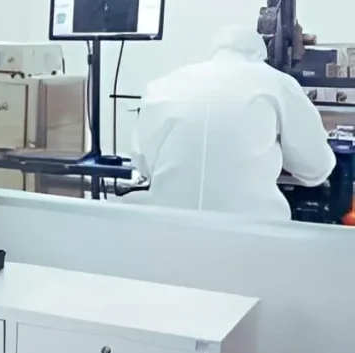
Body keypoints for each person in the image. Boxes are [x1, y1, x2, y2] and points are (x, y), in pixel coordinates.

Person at [130, 25, 335, 220]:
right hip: (252, 232)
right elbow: (315, 169)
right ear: (261, 52)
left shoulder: (164, 84)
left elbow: (143, 164)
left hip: (169, 226)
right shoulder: (278, 83)